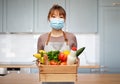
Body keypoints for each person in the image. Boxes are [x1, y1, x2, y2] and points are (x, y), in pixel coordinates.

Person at [37, 4, 78, 84]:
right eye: (54, 16)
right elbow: (39, 60)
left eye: (61, 17)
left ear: (64, 19)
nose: (57, 19)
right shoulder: (42, 38)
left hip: (67, 80)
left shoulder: (71, 37)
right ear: (49, 18)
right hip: (48, 80)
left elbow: (75, 59)